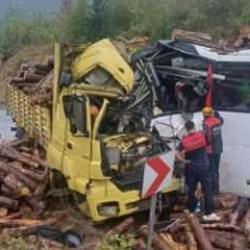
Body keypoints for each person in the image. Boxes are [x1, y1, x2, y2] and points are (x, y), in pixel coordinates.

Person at [176, 120, 220, 221]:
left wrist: (184, 161)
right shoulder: (202, 135)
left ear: (186, 129)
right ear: (194, 126)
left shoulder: (184, 140)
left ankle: (191, 210)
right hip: (203, 166)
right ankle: (209, 214)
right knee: (208, 190)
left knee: (191, 189)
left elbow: (177, 154)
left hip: (191, 166)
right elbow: (209, 143)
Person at [202, 107, 224, 194]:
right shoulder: (218, 121)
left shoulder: (206, 123)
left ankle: (210, 190)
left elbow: (208, 138)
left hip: (210, 150)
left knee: (210, 170)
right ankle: (216, 189)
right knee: (216, 170)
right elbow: (222, 119)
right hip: (218, 149)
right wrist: (215, 112)